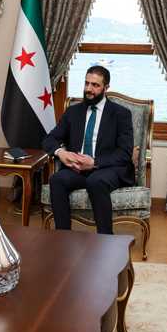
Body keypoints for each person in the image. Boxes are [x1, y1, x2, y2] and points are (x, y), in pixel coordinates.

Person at [42, 65, 134, 234]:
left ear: (106, 87)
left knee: (95, 181)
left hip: (107, 169)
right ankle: (63, 237)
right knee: (57, 179)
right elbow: (49, 139)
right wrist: (61, 153)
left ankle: (105, 239)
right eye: (86, 83)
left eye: (95, 85)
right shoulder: (73, 112)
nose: (89, 89)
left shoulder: (121, 114)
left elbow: (124, 153)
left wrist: (94, 162)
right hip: (77, 169)